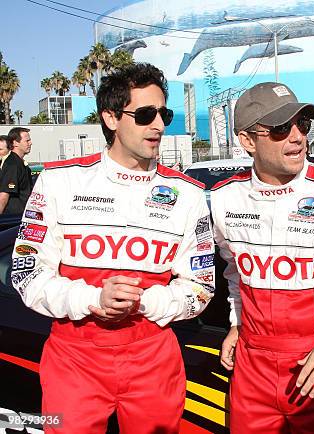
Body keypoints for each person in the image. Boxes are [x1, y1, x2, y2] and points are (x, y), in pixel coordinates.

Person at [11, 63, 215, 433]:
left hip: (153, 355)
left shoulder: (188, 194)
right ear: (110, 117)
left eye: (164, 114)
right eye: (145, 115)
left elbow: (201, 287)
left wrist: (146, 302)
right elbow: (27, 273)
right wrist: (91, 299)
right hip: (74, 356)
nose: (158, 125)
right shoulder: (58, 182)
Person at [212, 82, 314, 434]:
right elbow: (235, 274)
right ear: (246, 141)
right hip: (252, 370)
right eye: (279, 129)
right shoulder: (224, 198)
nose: (296, 137)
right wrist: (237, 323)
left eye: (301, 125)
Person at [0, 127, 33, 215]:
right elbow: (4, 195)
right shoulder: (12, 164)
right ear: (15, 143)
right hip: (13, 219)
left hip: (23, 216)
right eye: (27, 141)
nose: (30, 143)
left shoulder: (21, 163)